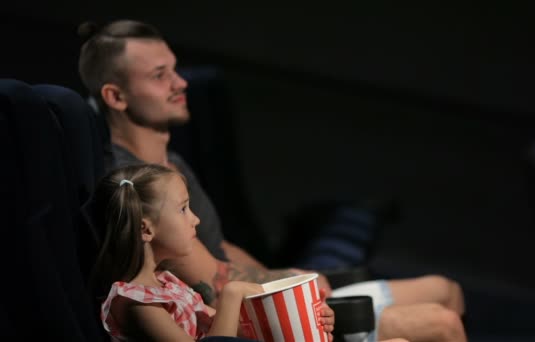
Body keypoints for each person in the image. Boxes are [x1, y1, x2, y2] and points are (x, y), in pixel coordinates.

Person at [78, 19, 467, 341]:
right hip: (259, 317)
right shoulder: (135, 185)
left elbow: (220, 247)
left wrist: (283, 276)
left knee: (446, 289)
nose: (180, 83)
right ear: (116, 96)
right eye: (160, 76)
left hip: (253, 305)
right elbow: (210, 275)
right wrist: (289, 286)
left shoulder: (173, 162)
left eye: (175, 70)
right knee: (441, 323)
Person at [89, 163, 337, 341]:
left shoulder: (167, 283)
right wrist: (232, 293)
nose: (195, 220)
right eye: (183, 209)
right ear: (146, 229)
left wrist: (303, 320)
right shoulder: (139, 304)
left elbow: (235, 330)